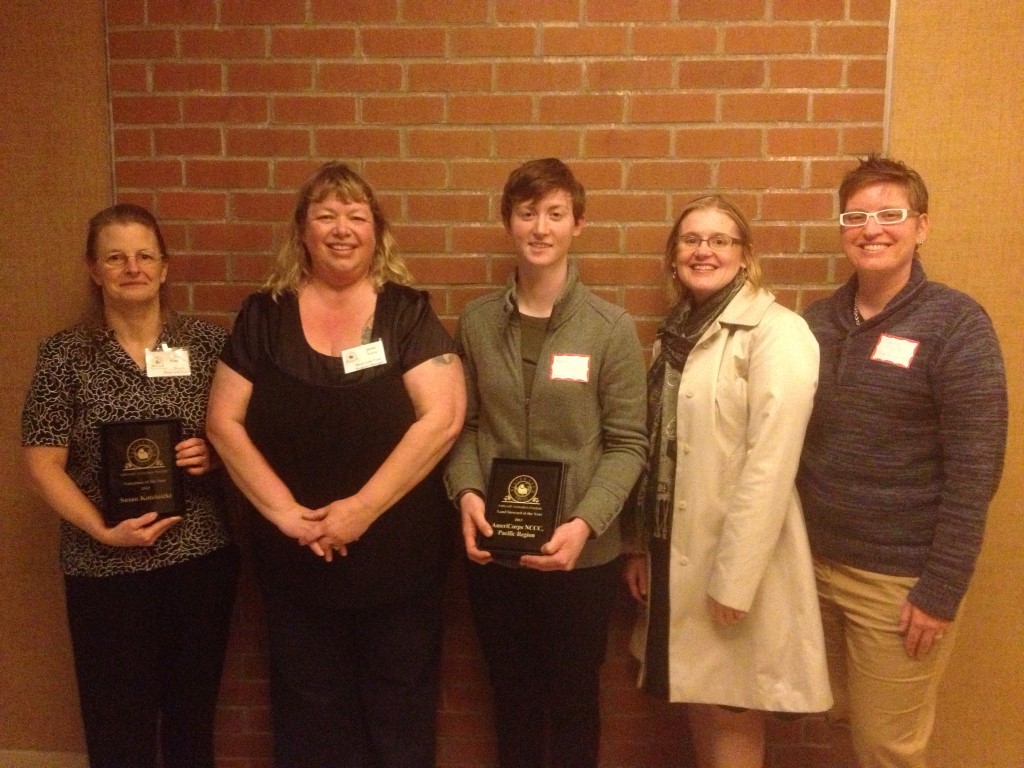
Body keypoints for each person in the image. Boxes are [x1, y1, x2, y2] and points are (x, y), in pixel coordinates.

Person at [205, 161, 465, 768]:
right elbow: (223, 422)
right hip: (296, 556)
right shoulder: (262, 316)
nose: (341, 228)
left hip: (398, 557)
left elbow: (444, 420)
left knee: (399, 705)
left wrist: (359, 511)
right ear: (302, 231)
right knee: (307, 707)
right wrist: (288, 515)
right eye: (325, 215)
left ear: (378, 232)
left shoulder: (407, 314)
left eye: (356, 216)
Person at [797, 156, 1008, 768]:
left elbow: (975, 472)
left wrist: (940, 590)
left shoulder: (956, 325)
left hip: (897, 584)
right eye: (856, 216)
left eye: (890, 214)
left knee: (887, 747)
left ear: (921, 226)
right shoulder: (816, 323)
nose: (872, 229)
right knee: (839, 720)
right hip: (812, 568)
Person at [444, 158, 648, 768]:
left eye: (555, 214)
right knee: (509, 696)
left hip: (581, 557)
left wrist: (584, 524)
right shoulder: (478, 323)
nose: (540, 227)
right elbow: (465, 425)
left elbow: (627, 443)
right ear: (508, 221)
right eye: (528, 213)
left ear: (577, 224)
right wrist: (468, 495)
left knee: (574, 698)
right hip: (495, 548)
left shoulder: (609, 328)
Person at [21, 204, 239, 768]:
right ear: (93, 270)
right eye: (116, 257)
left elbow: (236, 436)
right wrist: (101, 530)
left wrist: (212, 454)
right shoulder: (63, 356)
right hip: (104, 567)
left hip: (199, 560)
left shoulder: (209, 347)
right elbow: (43, 463)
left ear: (166, 267)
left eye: (145, 255)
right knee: (117, 721)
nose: (132, 268)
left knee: (192, 715)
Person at [622, 195, 832, 767]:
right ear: (673, 256)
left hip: (739, 558)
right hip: (677, 551)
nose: (703, 250)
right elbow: (658, 452)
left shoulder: (778, 332)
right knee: (701, 695)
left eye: (720, 240)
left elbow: (772, 461)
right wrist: (640, 543)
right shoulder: (676, 335)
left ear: (745, 256)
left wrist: (735, 579)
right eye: (691, 239)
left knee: (733, 708)